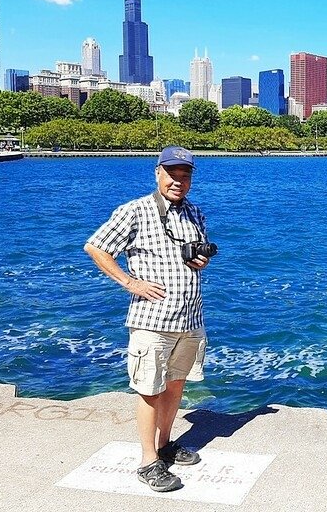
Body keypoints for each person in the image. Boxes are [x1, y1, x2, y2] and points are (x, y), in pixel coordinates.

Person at [84, 145, 213, 492]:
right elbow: (96, 246)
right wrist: (130, 283)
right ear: (157, 173)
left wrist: (201, 260)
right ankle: (147, 461)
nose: (178, 181)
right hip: (152, 319)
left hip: (189, 317)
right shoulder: (135, 211)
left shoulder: (195, 213)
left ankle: (165, 445)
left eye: (185, 176)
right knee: (148, 390)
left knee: (175, 386)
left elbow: (198, 253)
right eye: (172, 174)